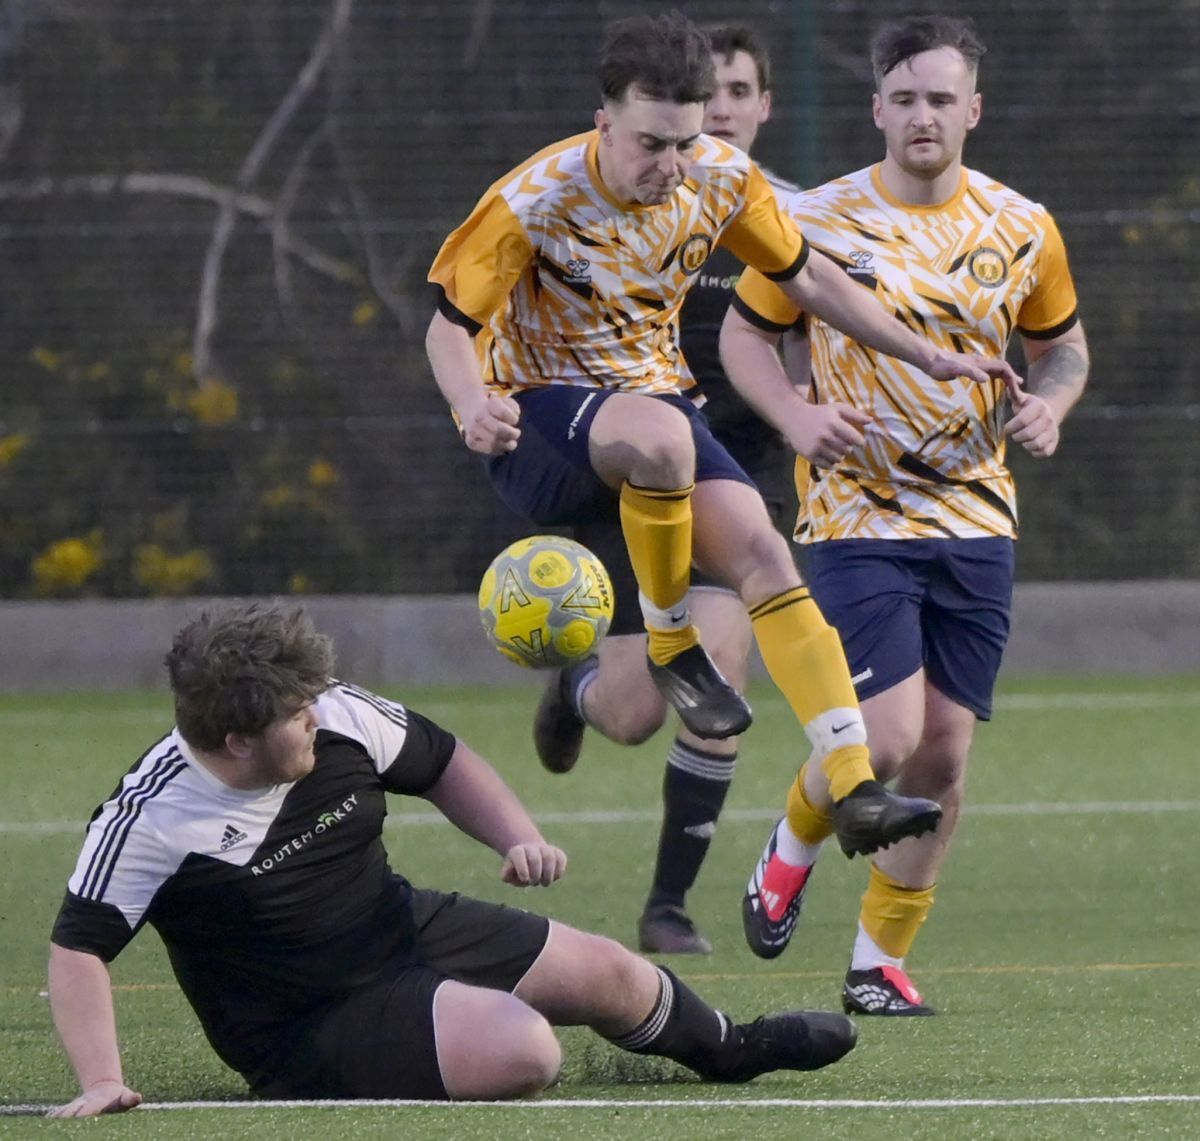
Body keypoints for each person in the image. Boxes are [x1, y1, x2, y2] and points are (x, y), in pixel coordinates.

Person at [426, 11, 1021, 904]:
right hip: (540, 424)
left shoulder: (718, 177)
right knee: (663, 438)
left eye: (686, 141)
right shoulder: (536, 198)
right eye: (649, 143)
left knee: (760, 555)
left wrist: (926, 353)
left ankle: (852, 782)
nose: (669, 165)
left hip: (653, 411)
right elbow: (448, 327)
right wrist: (472, 402)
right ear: (603, 121)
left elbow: (810, 279)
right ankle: (676, 641)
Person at [46, 602, 861, 1116]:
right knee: (526, 1051)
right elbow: (78, 946)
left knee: (614, 974)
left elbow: (440, 761)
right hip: (305, 1025)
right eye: (296, 715)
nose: (315, 718)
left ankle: (733, 1048)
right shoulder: (152, 815)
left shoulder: (334, 712)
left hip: (398, 925)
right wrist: (101, 1077)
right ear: (235, 742)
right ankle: (454, 1025)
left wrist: (516, 835)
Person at [722, 14, 1090, 1015]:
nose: (923, 115)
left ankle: (877, 963)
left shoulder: (1022, 224)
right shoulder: (819, 221)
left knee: (944, 754)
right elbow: (743, 338)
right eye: (905, 97)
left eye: (942, 98)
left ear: (973, 109)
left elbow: (1065, 347)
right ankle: (789, 849)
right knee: (881, 740)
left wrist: (1049, 406)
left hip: (977, 518)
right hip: (855, 514)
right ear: (875, 106)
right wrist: (795, 416)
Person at [538, 23, 806, 956]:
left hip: (739, 473)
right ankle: (575, 688)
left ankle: (669, 905)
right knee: (632, 712)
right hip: (631, 469)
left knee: (720, 676)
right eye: (711, 95)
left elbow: (847, 306)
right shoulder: (618, 197)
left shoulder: (785, 212)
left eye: (741, 91)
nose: (723, 110)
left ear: (764, 105)